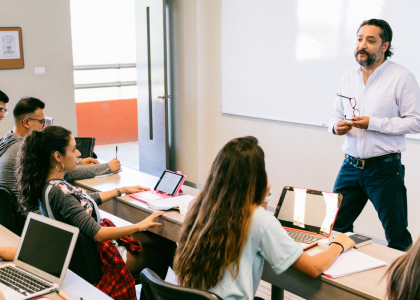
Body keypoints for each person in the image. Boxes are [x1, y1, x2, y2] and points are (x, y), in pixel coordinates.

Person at [173, 136, 355, 300]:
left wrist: (263, 197)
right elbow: (313, 268)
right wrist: (338, 245)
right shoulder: (258, 219)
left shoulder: (200, 205)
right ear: (256, 176)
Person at [16, 125, 176, 300]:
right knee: (163, 253)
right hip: (99, 259)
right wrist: (139, 225)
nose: (79, 154)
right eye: (74, 149)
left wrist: (120, 191)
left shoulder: (49, 185)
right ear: (57, 156)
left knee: (163, 241)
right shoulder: (60, 193)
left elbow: (82, 201)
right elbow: (99, 234)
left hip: (83, 255)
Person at [328, 19, 420, 251]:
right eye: (359, 39)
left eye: (371, 40)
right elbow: (334, 116)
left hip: (385, 170)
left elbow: (416, 122)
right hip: (349, 167)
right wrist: (335, 127)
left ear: (384, 45)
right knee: (335, 228)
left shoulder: (402, 77)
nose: (362, 45)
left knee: (397, 235)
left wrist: (373, 123)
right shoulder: (347, 77)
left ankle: (406, 287)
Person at [0, 97, 121, 198]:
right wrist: (107, 167)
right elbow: (62, 171)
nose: (44, 126)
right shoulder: (24, 150)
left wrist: (79, 161)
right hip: (33, 216)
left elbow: (52, 164)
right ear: (26, 122)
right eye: (41, 122)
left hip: (15, 219)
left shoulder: (6, 141)